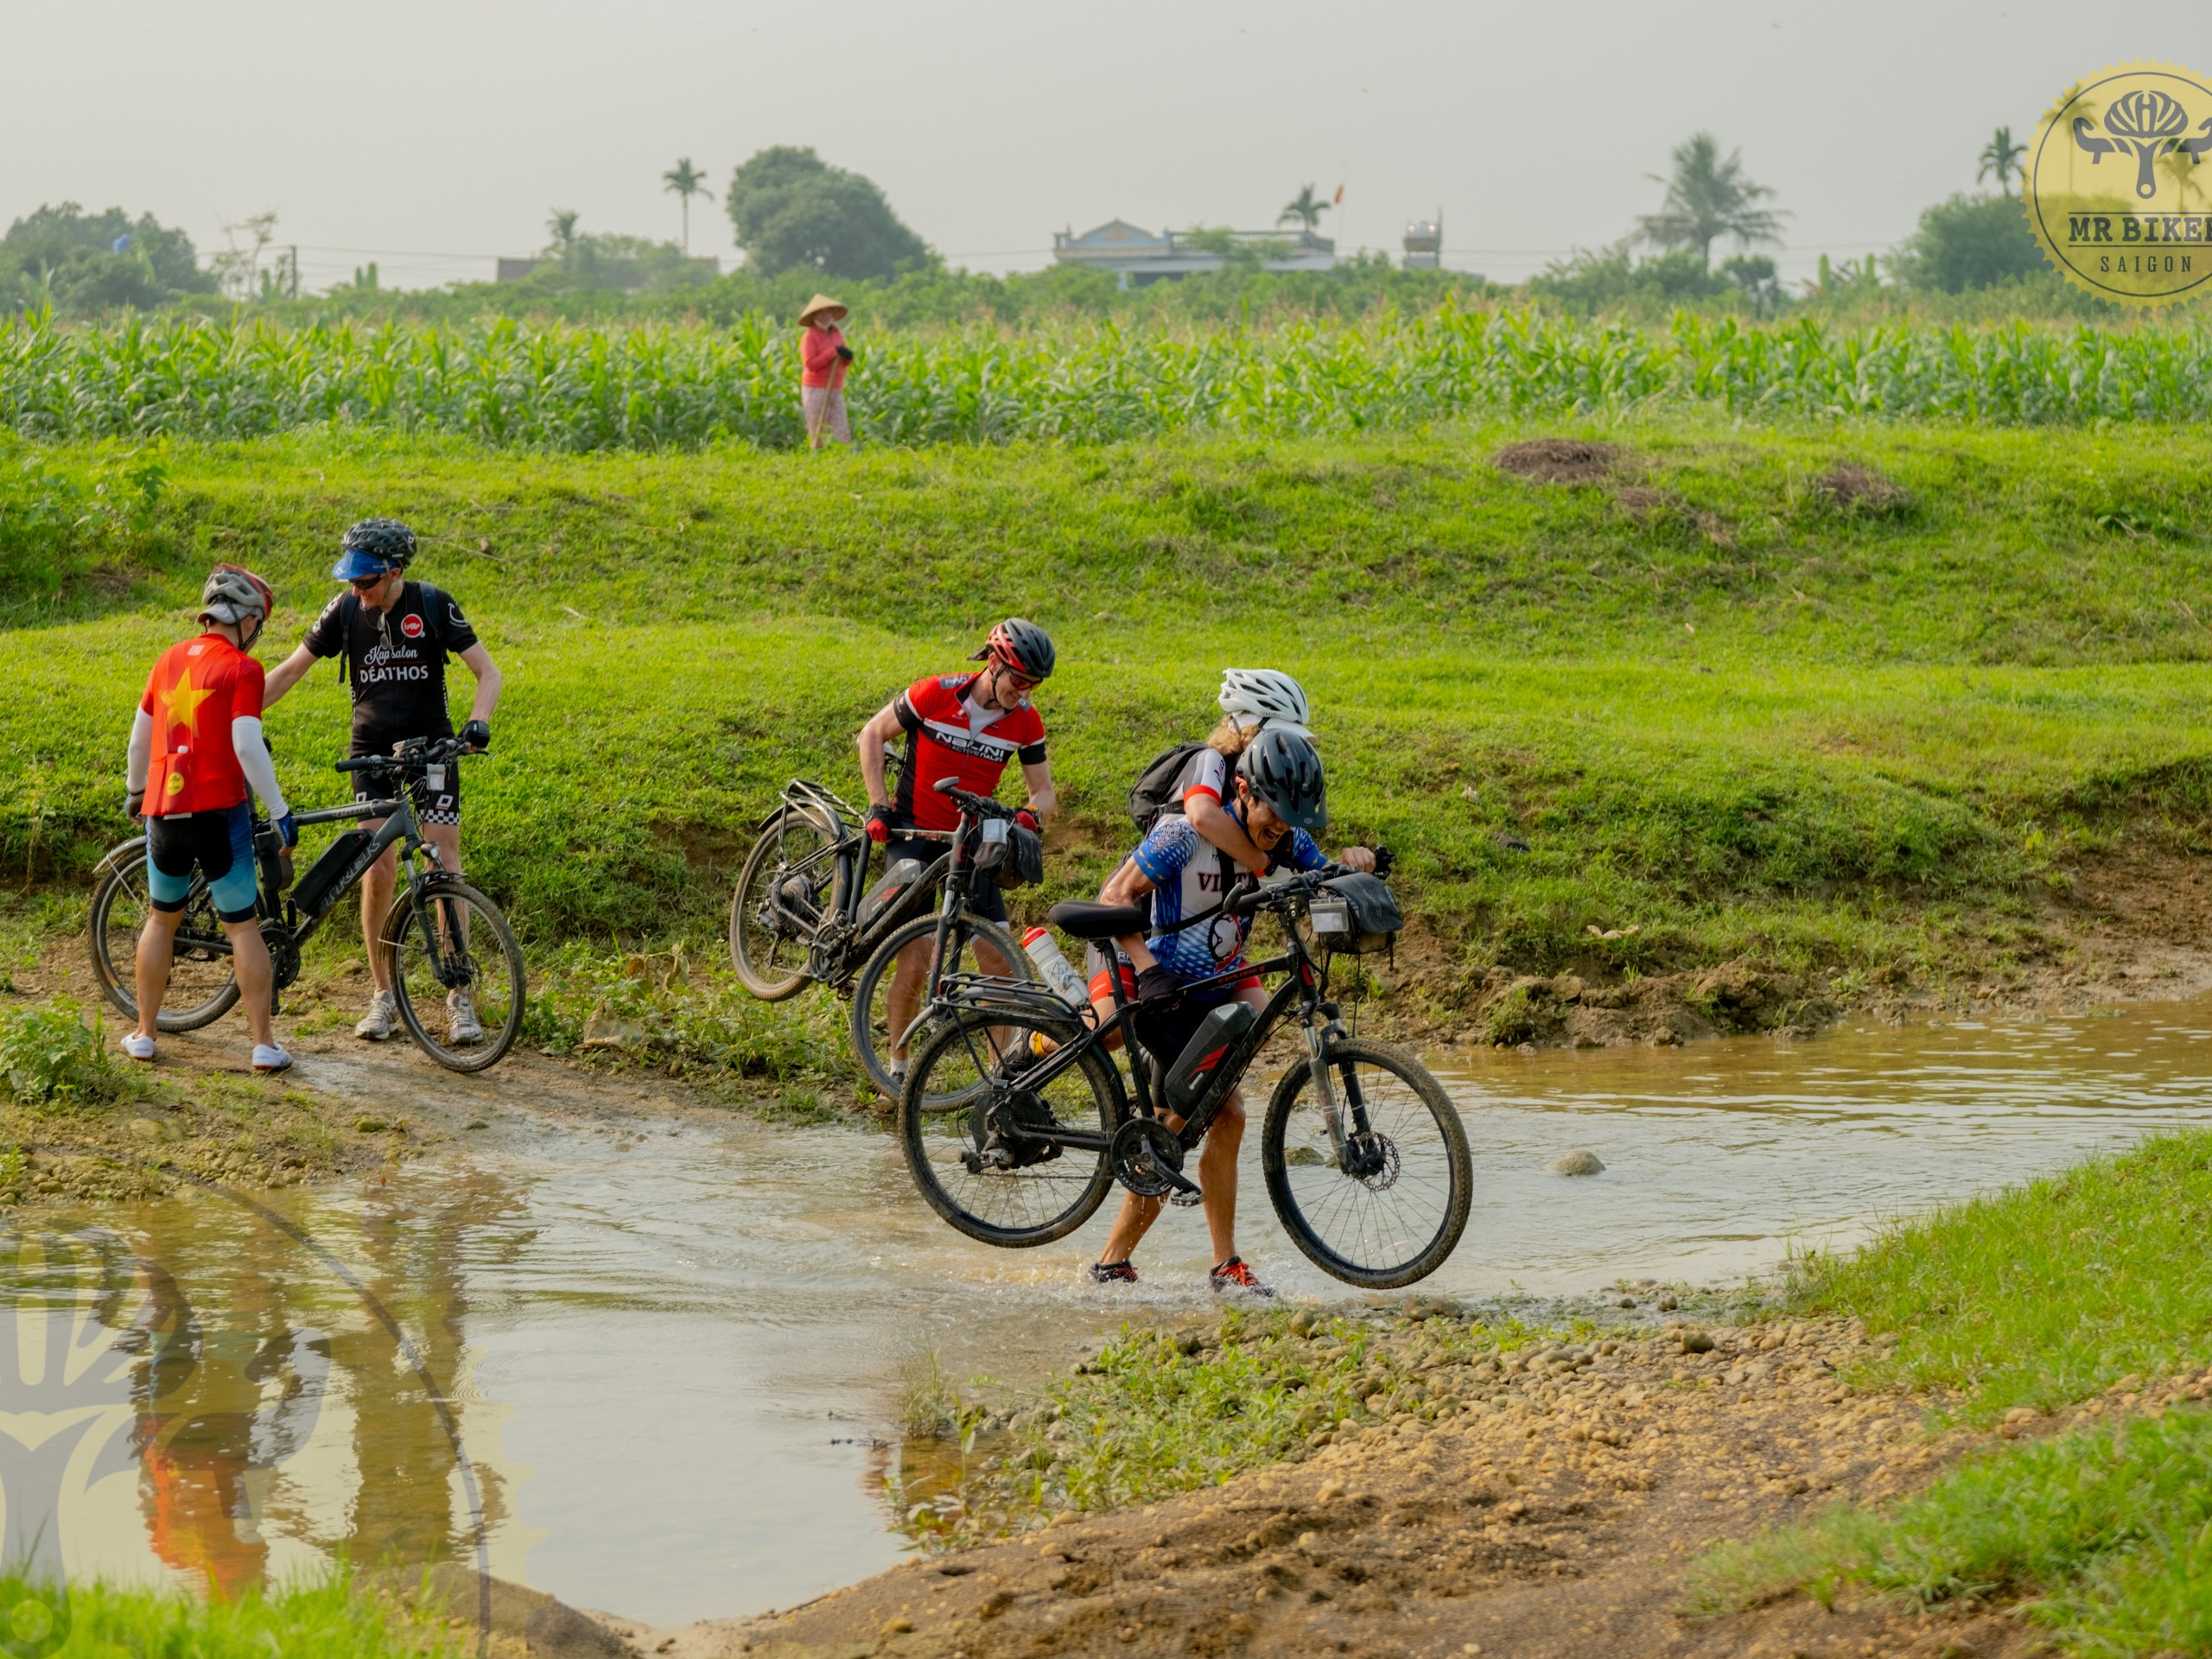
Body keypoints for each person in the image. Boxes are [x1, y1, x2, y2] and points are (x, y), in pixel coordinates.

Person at [1087, 728, 1376, 1296]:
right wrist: (1147, 968)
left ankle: (1201, 1263)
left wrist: (1356, 862)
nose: (1283, 827)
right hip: (1144, 961)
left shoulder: (1284, 841)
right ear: (1241, 790)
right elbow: (1113, 899)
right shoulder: (1180, 837)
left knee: (1222, 1102)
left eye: (1295, 817)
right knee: (1106, 1038)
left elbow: (1326, 877)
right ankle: (1043, 1047)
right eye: (1274, 810)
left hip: (1210, 977)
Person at [262, 518, 503, 1044]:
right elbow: (289, 670)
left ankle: (459, 995)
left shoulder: (435, 604)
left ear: (395, 573)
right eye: (352, 580)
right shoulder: (345, 610)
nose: (356, 591)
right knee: (377, 868)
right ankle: (383, 995)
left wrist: (477, 723)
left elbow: (488, 672)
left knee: (445, 862)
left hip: (432, 750)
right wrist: (235, 711)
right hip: (370, 756)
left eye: (367, 582)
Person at [854, 619, 1058, 1089]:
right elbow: (872, 736)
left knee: (999, 963)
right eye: (1018, 680)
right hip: (915, 833)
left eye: (1034, 684)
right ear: (993, 663)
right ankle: (898, 1072)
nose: (1024, 692)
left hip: (974, 839)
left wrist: (1029, 814)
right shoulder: (933, 694)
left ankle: (997, 1079)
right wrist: (878, 804)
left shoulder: (1025, 720)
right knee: (916, 960)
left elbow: (1044, 790)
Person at [123, 565, 296, 1074]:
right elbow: (246, 745)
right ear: (244, 620)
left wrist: (137, 793)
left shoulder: (167, 659)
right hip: (220, 812)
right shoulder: (243, 668)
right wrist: (279, 811)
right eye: (257, 623)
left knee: (161, 920)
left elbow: (138, 740)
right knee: (242, 928)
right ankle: (263, 1045)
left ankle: (144, 1035)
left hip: (165, 812)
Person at [798, 293, 854, 450]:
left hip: (836, 386)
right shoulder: (810, 337)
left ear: (832, 314)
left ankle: (843, 456)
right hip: (816, 388)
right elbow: (810, 364)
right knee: (818, 428)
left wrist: (847, 357)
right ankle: (817, 456)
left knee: (841, 427)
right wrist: (832, 353)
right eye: (821, 313)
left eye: (828, 312)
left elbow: (843, 360)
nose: (825, 316)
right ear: (815, 315)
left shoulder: (836, 333)